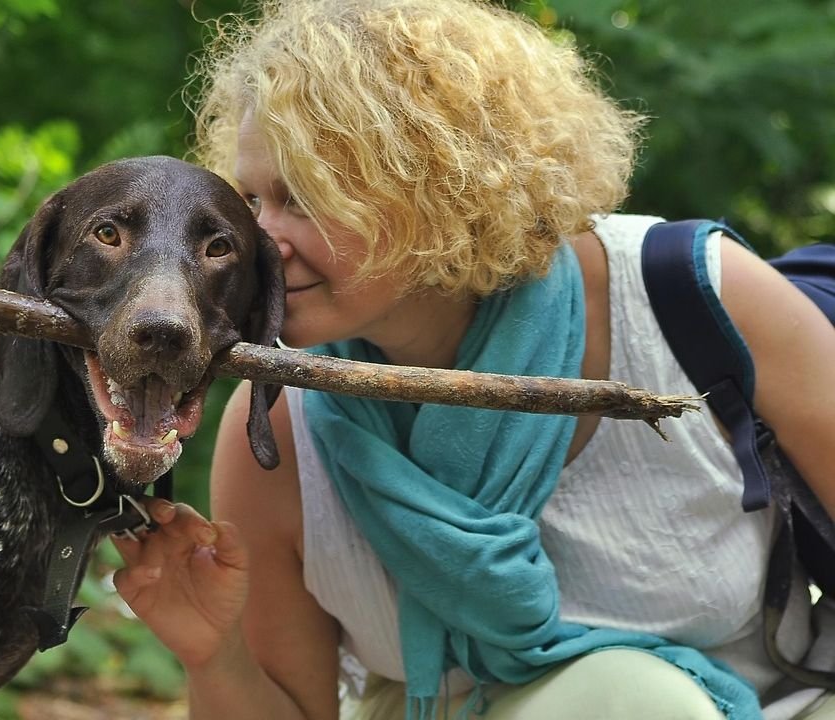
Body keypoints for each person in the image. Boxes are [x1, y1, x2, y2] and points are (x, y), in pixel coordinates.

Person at [110, 1, 835, 718]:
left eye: (302, 198)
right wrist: (215, 653)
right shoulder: (274, 430)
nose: (261, 241)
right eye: (249, 199)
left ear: (439, 189)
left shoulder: (694, 294)